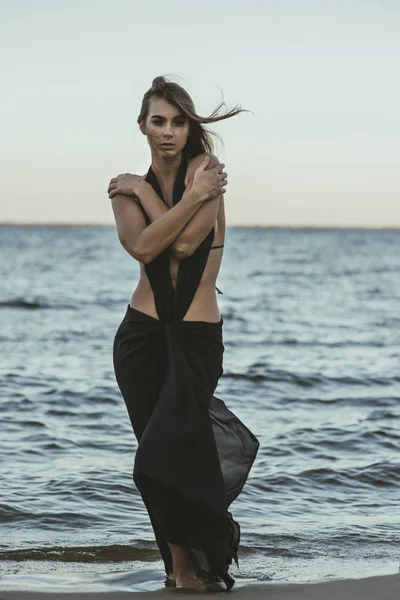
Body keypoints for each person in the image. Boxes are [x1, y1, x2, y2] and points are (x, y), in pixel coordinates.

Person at [108, 75, 259, 592]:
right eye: (158, 122)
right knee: (156, 457)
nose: (168, 132)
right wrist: (155, 193)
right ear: (143, 127)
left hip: (196, 338)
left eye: (177, 121)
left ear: (189, 126)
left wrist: (162, 193)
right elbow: (147, 248)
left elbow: (186, 244)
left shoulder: (205, 171)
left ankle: (201, 563)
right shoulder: (123, 188)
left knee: (173, 455)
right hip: (141, 339)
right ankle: (181, 571)